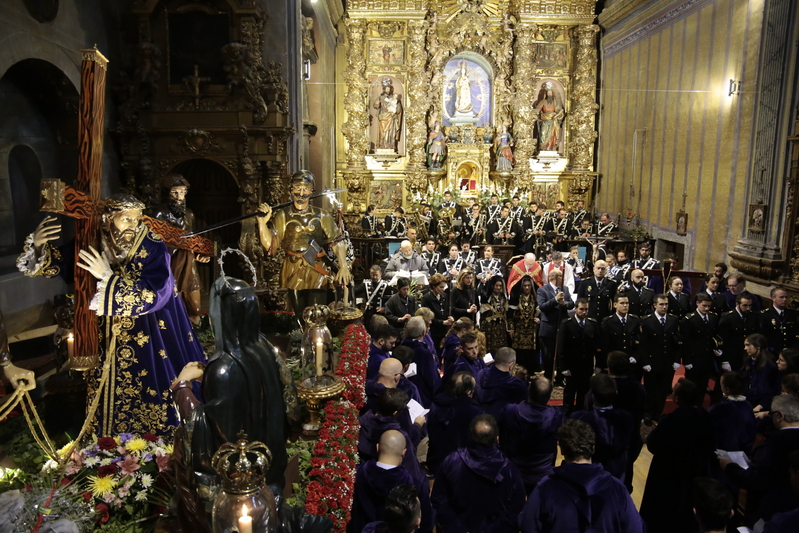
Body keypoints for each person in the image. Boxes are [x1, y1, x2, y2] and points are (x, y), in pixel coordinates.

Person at [19, 195, 207, 437]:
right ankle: (106, 439)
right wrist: (37, 246)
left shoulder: (152, 244)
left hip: (148, 330)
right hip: (104, 333)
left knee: (150, 382)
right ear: (109, 218)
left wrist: (108, 277)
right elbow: (65, 264)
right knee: (106, 385)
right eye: (126, 219)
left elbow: (158, 291)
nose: (133, 225)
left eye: (137, 219)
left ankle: (154, 440)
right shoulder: (93, 239)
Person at [519, 419, 644, 533]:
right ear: (593, 449)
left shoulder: (545, 489)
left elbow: (527, 526)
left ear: (562, 450)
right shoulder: (617, 489)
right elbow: (636, 529)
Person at [257, 171, 352, 313]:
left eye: (305, 189)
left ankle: (316, 334)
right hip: (293, 268)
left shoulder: (322, 215)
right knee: (298, 312)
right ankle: (301, 334)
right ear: (291, 189)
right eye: (297, 188)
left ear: (312, 191)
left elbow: (337, 241)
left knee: (316, 312)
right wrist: (262, 224)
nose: (301, 193)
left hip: (316, 267)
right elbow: (271, 245)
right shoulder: (283, 214)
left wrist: (343, 265)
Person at [640, 379, 716, 533]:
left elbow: (653, 444)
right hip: (696, 475)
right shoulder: (705, 416)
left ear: (677, 398)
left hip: (669, 476)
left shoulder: (672, 419)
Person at [431, 414, 526, 533]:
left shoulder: (451, 462)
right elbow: (516, 509)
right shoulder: (510, 470)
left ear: (470, 436)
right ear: (497, 438)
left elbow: (439, 500)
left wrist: (457, 528)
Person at [721, 394, 799, 526]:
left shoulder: (774, 444)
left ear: (779, 416)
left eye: (771, 414)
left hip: (773, 514)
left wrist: (729, 466)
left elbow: (754, 480)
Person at [147, 173, 210, 324]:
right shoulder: (159, 214)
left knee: (195, 307)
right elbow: (155, 240)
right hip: (171, 262)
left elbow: (191, 239)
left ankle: (196, 336)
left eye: (182, 192)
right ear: (168, 193)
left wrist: (197, 254)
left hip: (189, 263)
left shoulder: (189, 214)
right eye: (175, 192)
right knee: (175, 304)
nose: (179, 196)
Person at [350, 430, 434, 533]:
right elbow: (426, 522)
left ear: (377, 448)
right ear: (404, 453)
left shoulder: (357, 475)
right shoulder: (415, 485)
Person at [498, 377, 564, 495]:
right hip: (542, 472)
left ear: (528, 391)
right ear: (549, 397)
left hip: (515, 470)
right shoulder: (557, 415)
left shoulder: (510, 411)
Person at [570, 374, 634, 482]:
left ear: (592, 396)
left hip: (588, 477)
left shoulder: (579, 418)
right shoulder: (626, 418)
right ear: (616, 393)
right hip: (616, 475)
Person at [359, 388, 425, 483]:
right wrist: (417, 426)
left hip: (368, 477)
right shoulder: (397, 434)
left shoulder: (361, 423)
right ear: (395, 413)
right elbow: (412, 466)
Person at [426, 372, 484, 474]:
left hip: (437, 462)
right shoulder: (475, 412)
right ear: (469, 392)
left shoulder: (436, 404)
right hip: (462, 467)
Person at [639, 294, 682, 421]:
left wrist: (676, 360)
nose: (664, 307)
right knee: (650, 388)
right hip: (652, 361)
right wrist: (645, 362)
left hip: (667, 361)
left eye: (666, 304)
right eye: (661, 304)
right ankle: (648, 413)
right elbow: (643, 344)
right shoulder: (646, 321)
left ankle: (658, 412)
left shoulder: (673, 320)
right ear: (655, 305)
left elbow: (677, 342)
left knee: (663, 390)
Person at [558, 297, 602, 413]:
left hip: (586, 366)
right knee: (569, 394)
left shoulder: (592, 324)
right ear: (576, 309)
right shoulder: (566, 324)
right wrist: (563, 368)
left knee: (584, 394)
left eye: (586, 310)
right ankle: (567, 417)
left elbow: (597, 346)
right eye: (581, 309)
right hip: (571, 366)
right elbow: (561, 347)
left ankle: (581, 415)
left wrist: (598, 365)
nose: (584, 312)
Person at [681, 292, 722, 406]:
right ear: (697, 303)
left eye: (709, 306)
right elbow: (686, 343)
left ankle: (698, 407)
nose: (707, 308)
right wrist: (687, 361)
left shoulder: (713, 317)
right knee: (691, 387)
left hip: (707, 358)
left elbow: (713, 335)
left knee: (703, 386)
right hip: (694, 359)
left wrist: (716, 348)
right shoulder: (689, 320)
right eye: (704, 306)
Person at [707, 371, 757, 455]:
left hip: (723, 453)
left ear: (727, 389)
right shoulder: (748, 405)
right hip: (746, 452)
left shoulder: (720, 407)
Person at [537, 269, 574, 379]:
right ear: (553, 277)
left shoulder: (565, 289)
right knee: (548, 355)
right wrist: (555, 300)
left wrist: (564, 303)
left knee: (561, 353)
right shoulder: (542, 290)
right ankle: (548, 376)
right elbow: (542, 306)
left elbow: (571, 304)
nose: (562, 278)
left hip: (562, 325)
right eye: (560, 276)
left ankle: (560, 378)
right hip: (548, 327)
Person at [402, 316, 442, 408]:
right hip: (422, 398)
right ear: (424, 332)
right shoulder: (423, 352)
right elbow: (432, 380)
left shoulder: (401, 347)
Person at [475, 347, 526, 419]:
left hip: (479, 421)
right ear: (511, 366)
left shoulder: (481, 374)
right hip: (503, 426)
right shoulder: (516, 385)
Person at [718, 293, 759, 372]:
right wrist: (724, 360)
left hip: (747, 356)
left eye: (750, 305)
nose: (748, 308)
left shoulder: (753, 317)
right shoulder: (727, 318)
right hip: (731, 357)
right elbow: (722, 340)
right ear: (737, 304)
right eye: (745, 305)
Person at [600, 294, 641, 373]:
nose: (625, 306)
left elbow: (639, 341)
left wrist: (635, 357)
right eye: (622, 303)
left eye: (627, 303)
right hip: (614, 363)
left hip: (631, 362)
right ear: (615, 305)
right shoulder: (608, 322)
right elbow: (605, 345)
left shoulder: (634, 320)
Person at [509, 275, 541, 373]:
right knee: (520, 352)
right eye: (525, 286)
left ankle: (530, 372)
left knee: (531, 353)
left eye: (528, 286)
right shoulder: (517, 298)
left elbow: (541, 313)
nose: (527, 288)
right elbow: (510, 315)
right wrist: (511, 328)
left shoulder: (535, 299)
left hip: (531, 330)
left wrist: (538, 319)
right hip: (519, 329)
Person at [742, 333, 781, 414]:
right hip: (749, 399)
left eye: (748, 345)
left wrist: (745, 395)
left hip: (761, 403)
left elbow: (764, 389)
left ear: (758, 347)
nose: (745, 348)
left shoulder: (768, 365)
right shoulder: (748, 361)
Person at [420, 273, 454, 351]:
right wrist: (441, 322)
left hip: (444, 330)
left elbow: (447, 310)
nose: (443, 289)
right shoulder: (427, 298)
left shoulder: (444, 296)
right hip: (433, 330)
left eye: (444, 287)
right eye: (441, 287)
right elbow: (426, 316)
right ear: (434, 286)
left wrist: (450, 317)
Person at [761, 287, 799, 354]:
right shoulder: (765, 315)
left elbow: (795, 333)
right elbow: (764, 336)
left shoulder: (792, 314)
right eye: (781, 297)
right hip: (772, 352)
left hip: (789, 352)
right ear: (773, 298)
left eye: (786, 297)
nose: (784, 299)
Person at [478, 275, 510, 356]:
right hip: (490, 327)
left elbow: (506, 313)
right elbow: (483, 315)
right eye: (496, 285)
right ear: (492, 286)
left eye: (500, 286)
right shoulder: (486, 297)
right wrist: (482, 330)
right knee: (490, 349)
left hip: (501, 326)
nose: (498, 288)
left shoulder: (503, 297)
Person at [357, 265, 394, 330]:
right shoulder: (366, 284)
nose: (374, 277)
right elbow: (355, 292)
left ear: (380, 274)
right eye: (372, 275)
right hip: (369, 313)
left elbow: (391, 300)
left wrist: (384, 308)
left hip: (380, 313)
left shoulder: (385, 285)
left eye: (376, 275)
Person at [533, 83, 565, 153]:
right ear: (546, 94)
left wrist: (558, 114)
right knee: (543, 133)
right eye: (548, 93)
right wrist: (535, 112)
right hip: (544, 120)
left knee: (552, 135)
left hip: (553, 120)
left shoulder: (555, 102)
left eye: (550, 93)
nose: (549, 94)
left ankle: (551, 147)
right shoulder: (543, 101)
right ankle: (542, 147)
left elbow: (559, 110)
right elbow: (538, 109)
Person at [374, 77, 403, 152]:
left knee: (390, 132)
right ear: (384, 89)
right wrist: (377, 104)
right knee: (383, 131)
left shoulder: (393, 98)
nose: (388, 90)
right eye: (386, 88)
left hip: (391, 116)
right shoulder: (380, 97)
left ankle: (390, 145)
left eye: (389, 88)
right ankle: (382, 145)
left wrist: (397, 104)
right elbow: (375, 105)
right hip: (383, 117)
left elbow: (398, 109)